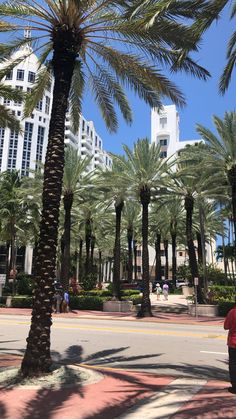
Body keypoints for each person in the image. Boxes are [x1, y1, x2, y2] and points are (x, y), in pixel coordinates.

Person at [224, 301, 236, 394]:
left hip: (233, 343)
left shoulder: (232, 312)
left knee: (233, 364)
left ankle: (235, 387)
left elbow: (226, 326)